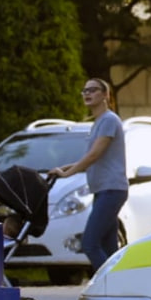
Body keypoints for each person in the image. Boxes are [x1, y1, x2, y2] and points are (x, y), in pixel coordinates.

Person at [51, 77, 128, 273]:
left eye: (93, 90)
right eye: (84, 91)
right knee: (109, 247)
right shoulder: (99, 123)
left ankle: (107, 285)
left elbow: (95, 155)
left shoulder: (109, 120)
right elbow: (89, 157)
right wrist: (63, 169)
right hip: (103, 190)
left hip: (112, 190)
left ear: (105, 95)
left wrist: (68, 174)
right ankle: (120, 285)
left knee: (90, 243)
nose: (87, 94)